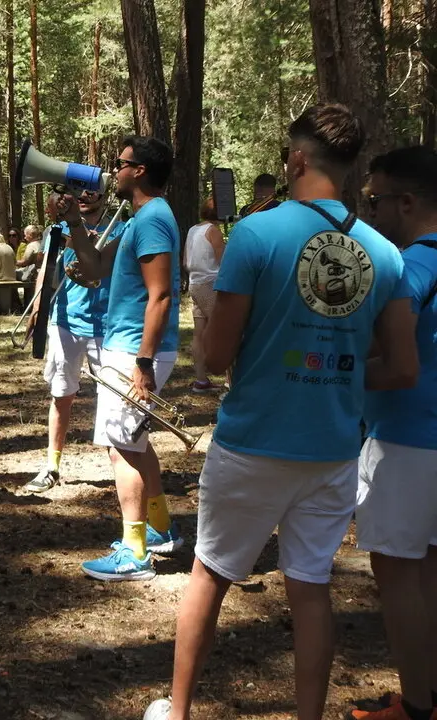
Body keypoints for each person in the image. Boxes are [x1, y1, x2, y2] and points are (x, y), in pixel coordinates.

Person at [142, 104, 420, 720]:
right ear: (349, 169)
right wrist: (336, 371)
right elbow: (401, 368)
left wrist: (206, 306)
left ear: (297, 159)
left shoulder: (257, 236)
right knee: (310, 590)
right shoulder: (387, 254)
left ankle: (179, 710)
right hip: (332, 450)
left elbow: (214, 359)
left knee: (210, 575)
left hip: (252, 441)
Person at [60, 137, 184, 580]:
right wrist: (75, 221)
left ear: (141, 171)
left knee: (122, 449)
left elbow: (162, 295)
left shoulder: (151, 220)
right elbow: (93, 268)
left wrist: (144, 363)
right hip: (128, 344)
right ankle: (161, 530)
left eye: (120, 164)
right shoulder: (140, 219)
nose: (113, 171)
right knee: (135, 441)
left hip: (135, 348)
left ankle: (134, 554)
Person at [346, 146, 437, 720]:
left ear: (407, 202)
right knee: (427, 568)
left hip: (406, 441)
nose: (370, 211)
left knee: (398, 573)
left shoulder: (412, 267)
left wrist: (342, 375)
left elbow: (399, 365)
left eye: (375, 200)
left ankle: (415, 706)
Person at [22, 186, 123, 494]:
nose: (84, 196)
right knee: (61, 395)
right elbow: (47, 268)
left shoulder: (120, 226)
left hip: (106, 323)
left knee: (114, 402)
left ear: (104, 196)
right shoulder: (61, 227)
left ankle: (123, 468)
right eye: (80, 191)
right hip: (66, 319)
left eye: (92, 192)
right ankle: (52, 466)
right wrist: (37, 307)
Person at [183, 197, 225, 392]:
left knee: (199, 333)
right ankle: (230, 381)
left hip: (195, 283)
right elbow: (225, 263)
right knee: (224, 329)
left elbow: (185, 262)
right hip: (211, 283)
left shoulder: (193, 230)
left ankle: (201, 380)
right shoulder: (213, 231)